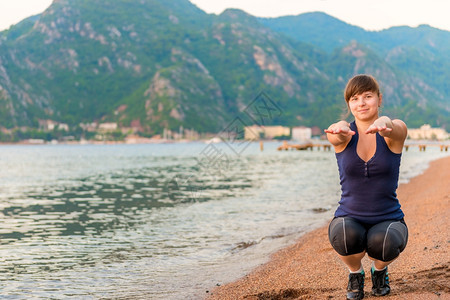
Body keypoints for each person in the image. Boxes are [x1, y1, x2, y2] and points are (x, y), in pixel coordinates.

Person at [324, 74, 408, 300]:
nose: (361, 103)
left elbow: (398, 128)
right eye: (354, 98)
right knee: (343, 234)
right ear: (349, 105)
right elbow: (336, 137)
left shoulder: (392, 134)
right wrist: (339, 126)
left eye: (367, 96)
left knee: (386, 241)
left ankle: (379, 271)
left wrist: (386, 123)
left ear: (379, 99)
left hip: (388, 218)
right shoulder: (344, 135)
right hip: (349, 217)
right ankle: (355, 274)